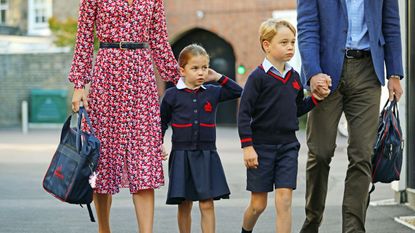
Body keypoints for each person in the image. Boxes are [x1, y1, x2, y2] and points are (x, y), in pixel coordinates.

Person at [68, 0, 181, 232]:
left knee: (143, 159)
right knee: (102, 158)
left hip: (141, 77)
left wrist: (181, 80)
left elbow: (159, 41)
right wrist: (79, 84)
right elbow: (84, 39)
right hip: (106, 76)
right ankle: (104, 229)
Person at [297, 0, 404, 232]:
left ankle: (354, 228)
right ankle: (312, 221)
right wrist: (313, 72)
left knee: (362, 155)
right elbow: (307, 27)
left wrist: (394, 72)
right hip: (326, 71)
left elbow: (391, 24)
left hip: (368, 71)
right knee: (320, 152)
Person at [238, 19, 328, 233]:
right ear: (267, 45)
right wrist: (247, 147)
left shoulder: (295, 77)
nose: (290, 47)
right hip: (261, 148)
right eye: (284, 42)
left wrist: (315, 99)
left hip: (288, 146)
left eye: (293, 42)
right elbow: (243, 114)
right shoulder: (257, 78)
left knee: (284, 200)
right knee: (258, 205)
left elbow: (295, 109)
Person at [160, 44, 242, 233]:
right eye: (195, 68)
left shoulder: (212, 91)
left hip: (207, 155)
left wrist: (219, 77)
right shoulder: (172, 95)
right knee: (185, 204)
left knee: (207, 203)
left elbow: (239, 92)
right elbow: (161, 121)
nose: (201, 72)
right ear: (182, 70)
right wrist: (159, 143)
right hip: (181, 155)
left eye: (204, 68)